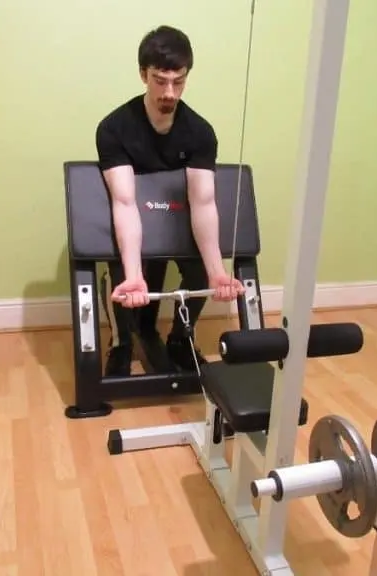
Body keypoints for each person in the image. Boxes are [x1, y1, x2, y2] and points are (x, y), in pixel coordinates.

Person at [95, 25, 244, 377]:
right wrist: (134, 276)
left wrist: (217, 272)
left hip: (179, 217)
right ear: (143, 74)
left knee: (198, 268)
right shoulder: (114, 129)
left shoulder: (199, 132)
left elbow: (204, 201)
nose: (169, 91)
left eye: (178, 81)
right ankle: (122, 343)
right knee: (122, 270)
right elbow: (124, 202)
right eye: (160, 80)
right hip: (135, 216)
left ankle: (181, 337)